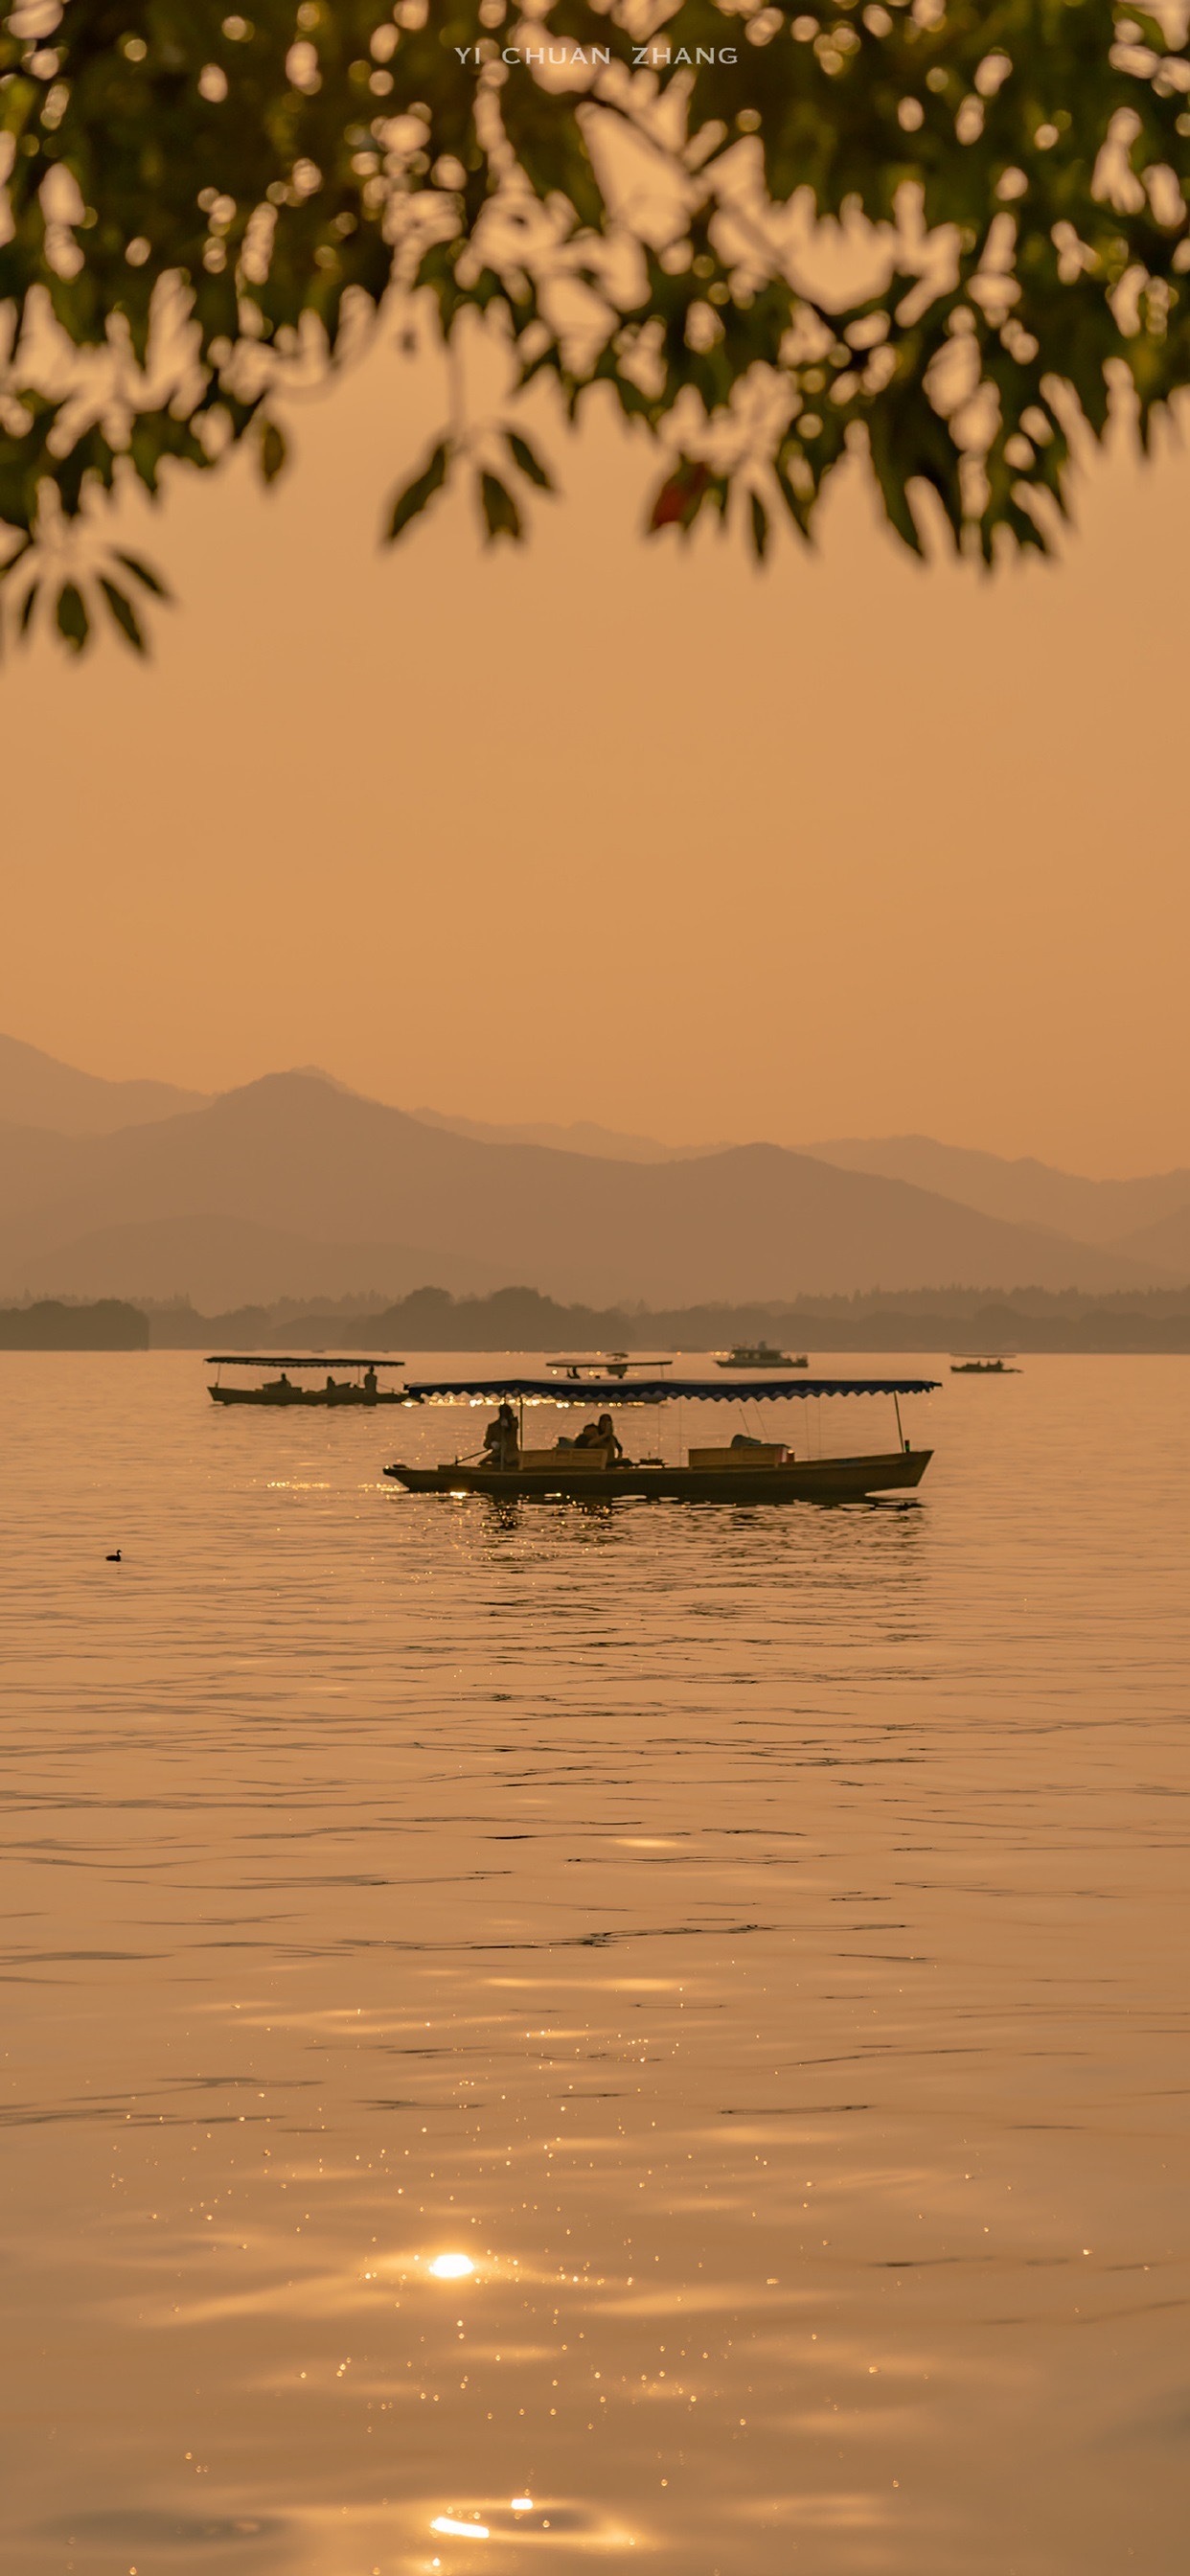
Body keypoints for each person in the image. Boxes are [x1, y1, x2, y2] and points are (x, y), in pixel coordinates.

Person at [482, 1401, 518, 1470]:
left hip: (512, 1456)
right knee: (484, 1463)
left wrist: (507, 1425)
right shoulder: (492, 1426)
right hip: (497, 1456)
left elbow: (515, 1425)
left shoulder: (513, 1425)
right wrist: (492, 1444)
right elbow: (486, 1444)